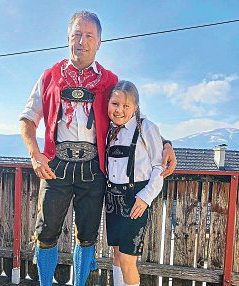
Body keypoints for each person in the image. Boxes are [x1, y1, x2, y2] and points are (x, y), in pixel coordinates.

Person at [20, 11, 176, 286]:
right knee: (45, 233)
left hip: (94, 168)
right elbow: (28, 119)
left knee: (87, 234)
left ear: (99, 42)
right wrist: (34, 154)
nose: (82, 41)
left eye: (89, 36)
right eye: (77, 35)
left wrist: (165, 144)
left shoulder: (109, 80)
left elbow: (132, 114)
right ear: (68, 39)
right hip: (55, 165)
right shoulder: (49, 77)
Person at [105, 80, 164, 286]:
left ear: (136, 107)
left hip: (135, 198)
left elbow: (159, 167)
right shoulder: (109, 128)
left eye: (126, 106)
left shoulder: (146, 127)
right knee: (116, 253)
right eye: (115, 104)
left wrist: (146, 197)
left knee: (128, 260)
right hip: (112, 197)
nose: (120, 110)